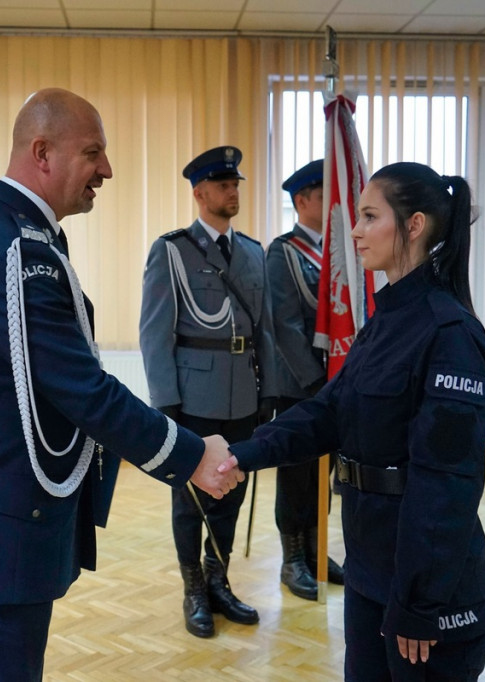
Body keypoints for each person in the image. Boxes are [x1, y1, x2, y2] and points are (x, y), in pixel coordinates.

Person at [0, 88, 242, 682]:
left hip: (6, 525)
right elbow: (82, 389)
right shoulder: (12, 249)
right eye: (93, 153)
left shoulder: (17, 236)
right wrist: (191, 456)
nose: (107, 170)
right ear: (42, 152)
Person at [221, 162, 485, 681]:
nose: (353, 230)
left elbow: (446, 486)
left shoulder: (449, 332)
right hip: (372, 570)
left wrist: (418, 602)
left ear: (413, 226)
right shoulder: (385, 322)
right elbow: (328, 412)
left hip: (428, 592)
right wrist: (241, 453)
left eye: (370, 216)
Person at [139, 146, 278, 638]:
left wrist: (269, 393)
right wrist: (167, 405)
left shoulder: (254, 253)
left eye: (236, 184)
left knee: (231, 494)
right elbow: (155, 333)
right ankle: (193, 588)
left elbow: (264, 330)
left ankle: (220, 581)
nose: (232, 192)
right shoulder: (172, 251)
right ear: (199, 193)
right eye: (223, 185)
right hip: (192, 399)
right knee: (191, 498)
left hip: (243, 397)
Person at [266, 159, 344, 601]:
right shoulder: (284, 252)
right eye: (323, 194)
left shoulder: (339, 253)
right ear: (302, 201)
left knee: (325, 470)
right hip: (300, 386)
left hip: (332, 382)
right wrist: (316, 382)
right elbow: (285, 325)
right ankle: (292, 558)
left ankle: (317, 550)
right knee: (296, 474)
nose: (332, 202)